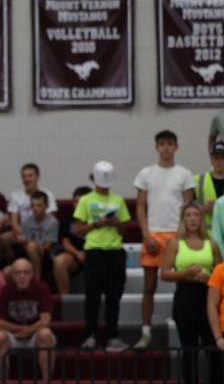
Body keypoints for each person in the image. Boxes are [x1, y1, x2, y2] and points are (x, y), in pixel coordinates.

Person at [135, 131, 195, 349]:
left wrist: (183, 236)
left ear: (176, 147)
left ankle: (183, 330)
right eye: (162, 144)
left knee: (183, 286)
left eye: (170, 144)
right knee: (149, 286)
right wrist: (146, 235)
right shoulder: (146, 173)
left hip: (177, 236)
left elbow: (189, 208)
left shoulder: (185, 174)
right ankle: (145, 333)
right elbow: (140, 206)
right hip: (153, 235)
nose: (166, 148)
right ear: (156, 147)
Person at [161, 202, 222, 384]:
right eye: (189, 215)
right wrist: (186, 273)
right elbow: (165, 273)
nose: (193, 218)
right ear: (183, 219)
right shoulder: (175, 243)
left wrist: (208, 278)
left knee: (211, 348)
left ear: (202, 219)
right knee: (189, 349)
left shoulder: (211, 243)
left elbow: (219, 271)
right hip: (185, 296)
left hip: (207, 297)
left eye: (196, 214)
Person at [75, 162, 132, 351]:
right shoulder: (85, 200)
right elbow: (78, 230)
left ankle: (112, 336)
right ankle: (90, 335)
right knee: (92, 296)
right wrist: (96, 225)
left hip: (115, 251)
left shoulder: (118, 200)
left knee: (114, 297)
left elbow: (125, 231)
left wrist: (116, 223)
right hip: (94, 251)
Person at [0, 258, 57, 381]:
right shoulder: (5, 290)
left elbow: (45, 321)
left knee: (46, 334)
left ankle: (46, 383)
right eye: (18, 272)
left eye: (26, 272)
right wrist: (22, 331)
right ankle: (4, 383)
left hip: (34, 336)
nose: (22, 276)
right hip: (13, 336)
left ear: (32, 274)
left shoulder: (42, 288)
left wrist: (25, 332)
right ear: (12, 275)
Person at [17, 191, 60, 279]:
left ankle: (37, 280)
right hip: (28, 255)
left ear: (46, 206)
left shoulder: (53, 223)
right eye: (33, 205)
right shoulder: (26, 222)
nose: (35, 208)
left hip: (47, 256)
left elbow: (48, 246)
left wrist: (33, 244)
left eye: (39, 205)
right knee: (7, 272)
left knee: (31, 246)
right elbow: (22, 241)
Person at [7, 163, 57, 236]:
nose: (26, 179)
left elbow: (51, 220)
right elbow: (14, 224)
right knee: (3, 238)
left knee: (31, 245)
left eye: (30, 176)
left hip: (42, 232)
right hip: (22, 232)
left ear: (38, 177)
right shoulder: (15, 195)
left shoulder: (48, 194)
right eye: (24, 177)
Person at [202, 141, 224, 234]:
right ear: (211, 159)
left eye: (222, 158)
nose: (219, 161)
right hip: (207, 238)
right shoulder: (199, 181)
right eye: (216, 158)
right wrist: (203, 208)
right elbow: (187, 209)